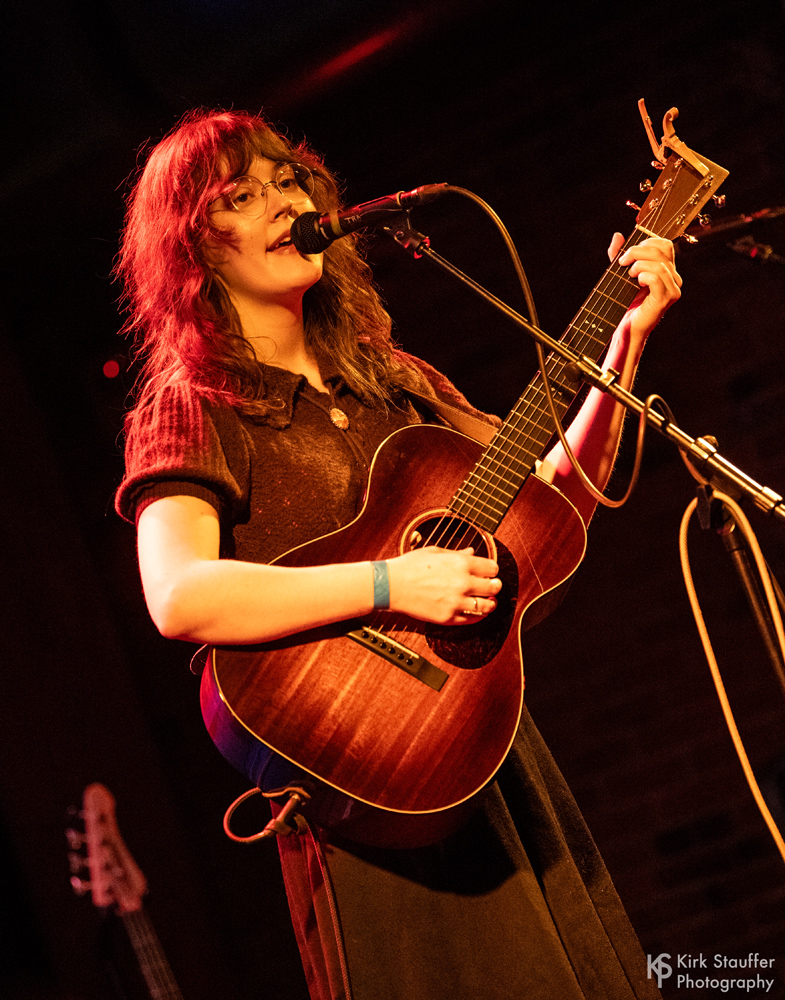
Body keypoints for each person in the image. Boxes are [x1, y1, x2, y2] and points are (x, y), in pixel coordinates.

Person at [115, 108, 681, 1000]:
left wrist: (625, 345)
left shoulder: (396, 379)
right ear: (193, 247)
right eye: (242, 196)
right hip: (357, 791)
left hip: (476, 749)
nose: (284, 203)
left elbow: (548, 510)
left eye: (289, 182)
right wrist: (390, 581)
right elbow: (179, 595)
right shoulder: (192, 405)